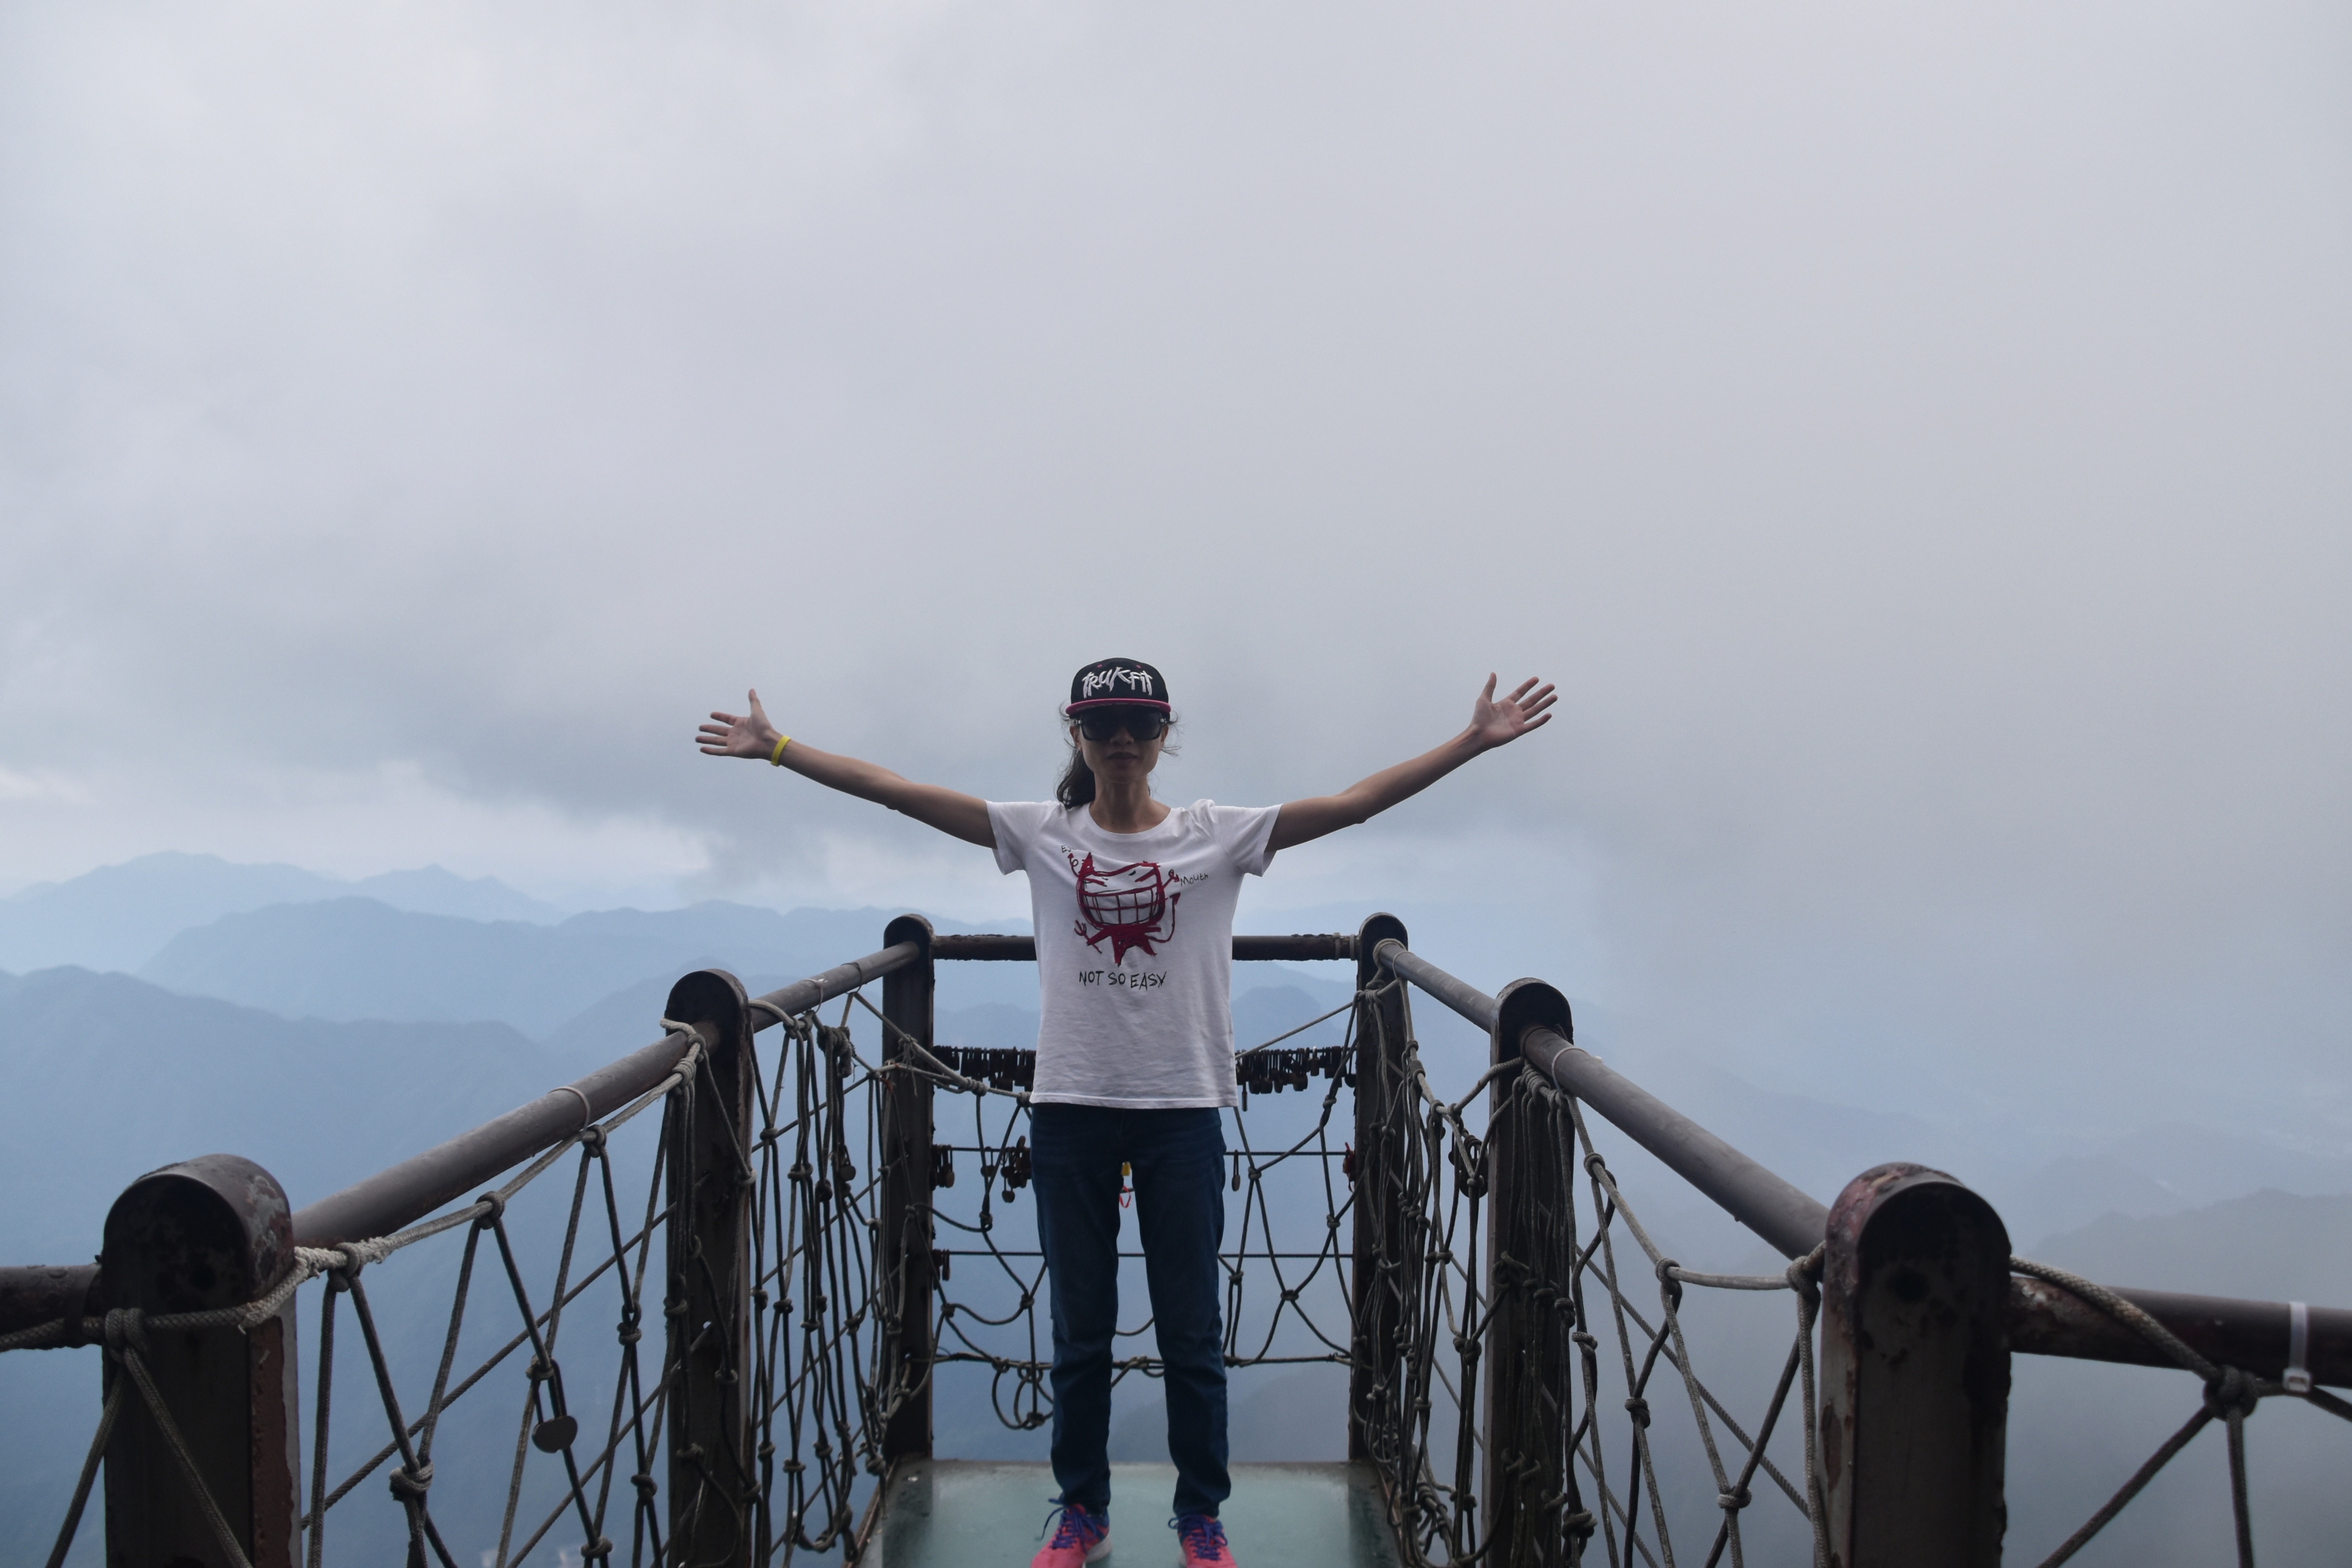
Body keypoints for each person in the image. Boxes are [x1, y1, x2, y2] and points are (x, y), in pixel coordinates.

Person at [696, 657, 1553, 1568]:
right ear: (1076, 732)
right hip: (1069, 1108)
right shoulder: (1040, 832)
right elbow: (901, 794)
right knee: (1079, 1332)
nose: (1120, 739)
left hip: (1182, 1109)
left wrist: (1471, 741)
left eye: (1139, 725)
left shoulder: (1216, 835)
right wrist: (778, 748)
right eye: (1103, 722)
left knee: (1190, 1332)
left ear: (1162, 736)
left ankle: (1200, 1518)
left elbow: (1352, 805)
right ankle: (1083, 1512)